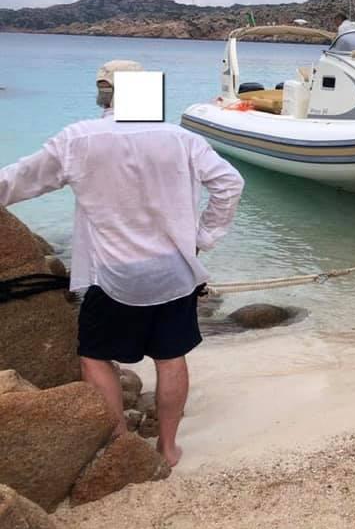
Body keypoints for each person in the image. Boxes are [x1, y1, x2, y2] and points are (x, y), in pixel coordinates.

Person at [0, 60, 245, 468]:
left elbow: (17, 181)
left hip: (112, 274)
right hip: (173, 271)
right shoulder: (180, 138)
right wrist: (202, 239)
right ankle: (167, 448)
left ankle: (119, 444)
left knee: (95, 356)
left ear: (103, 93)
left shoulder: (79, 138)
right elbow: (229, 183)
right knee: (170, 357)